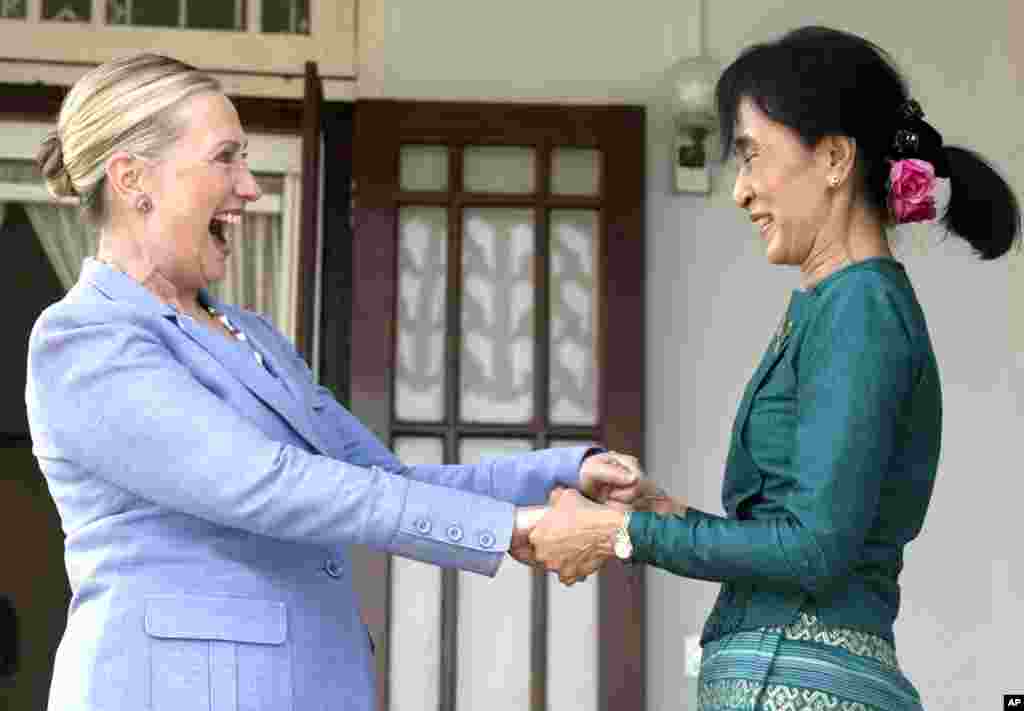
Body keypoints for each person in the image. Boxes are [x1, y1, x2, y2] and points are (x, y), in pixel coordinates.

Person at [25, 53, 644, 711]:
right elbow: (264, 481)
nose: (250, 187)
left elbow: (382, 483)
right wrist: (511, 527)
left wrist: (563, 474)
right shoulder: (84, 339)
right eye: (225, 158)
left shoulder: (251, 335)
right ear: (132, 178)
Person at [527, 25, 1020, 711]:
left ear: (835, 157)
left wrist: (623, 533)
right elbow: (797, 532)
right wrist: (661, 513)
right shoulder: (838, 304)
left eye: (753, 156)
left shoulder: (862, 308)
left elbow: (813, 548)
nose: (742, 190)